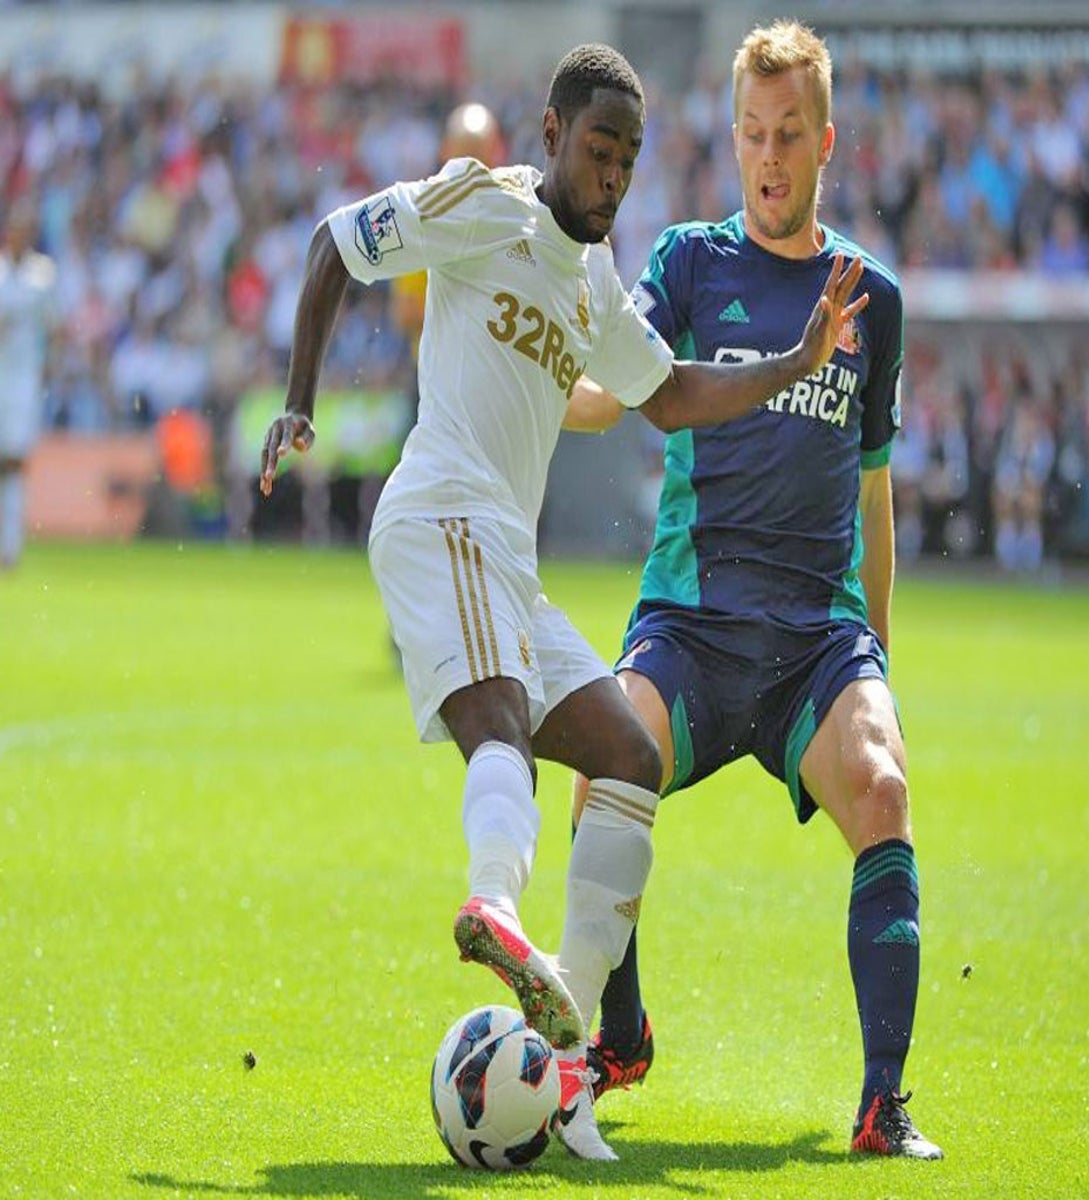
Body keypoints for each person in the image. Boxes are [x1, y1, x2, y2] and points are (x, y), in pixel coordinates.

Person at [259, 42, 866, 1162]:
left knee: (627, 760)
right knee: (499, 726)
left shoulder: (593, 281)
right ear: (550, 137)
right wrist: (299, 404)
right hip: (438, 515)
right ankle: (493, 905)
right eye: (597, 152)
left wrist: (792, 360)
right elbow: (333, 247)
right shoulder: (479, 205)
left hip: (507, 561)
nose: (613, 178)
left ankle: (568, 1063)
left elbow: (671, 395)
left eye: (629, 160)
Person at [566, 22, 942, 1159]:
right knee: (599, 776)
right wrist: (536, 383)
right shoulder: (688, 262)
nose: (769, 157)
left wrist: (875, 656)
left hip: (816, 646)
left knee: (881, 790)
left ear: (825, 143)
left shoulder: (870, 295)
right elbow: (612, 390)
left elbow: (873, 489)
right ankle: (620, 1035)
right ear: (734, 139)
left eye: (790, 135)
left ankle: (884, 1107)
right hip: (689, 622)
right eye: (752, 135)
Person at [390, 102, 507, 353]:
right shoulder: (425, 217)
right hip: (432, 377)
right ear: (445, 151)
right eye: (464, 155)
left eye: (479, 155)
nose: (472, 169)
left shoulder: (513, 215)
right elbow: (405, 311)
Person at [0, 202, 57, 573]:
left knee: (14, 462)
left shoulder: (42, 275)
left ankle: (10, 547)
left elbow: (54, 326)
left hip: (22, 379)